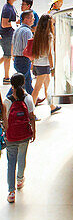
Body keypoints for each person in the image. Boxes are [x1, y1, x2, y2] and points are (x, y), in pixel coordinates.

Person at [2, 72, 36, 203]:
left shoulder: (7, 101)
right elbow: (32, 116)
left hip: (11, 136)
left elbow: (5, 120)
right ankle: (20, 180)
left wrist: (6, 133)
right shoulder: (28, 98)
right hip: (24, 135)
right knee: (22, 157)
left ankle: (11, 192)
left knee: (11, 163)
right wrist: (34, 131)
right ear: (23, 83)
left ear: (11, 85)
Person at [30, 14, 54, 107]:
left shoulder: (37, 34)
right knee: (37, 89)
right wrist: (52, 65)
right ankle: (30, 111)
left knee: (47, 86)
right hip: (44, 65)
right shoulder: (49, 35)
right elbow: (49, 53)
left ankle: (52, 106)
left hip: (37, 63)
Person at [11, 11, 34, 96]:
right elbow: (27, 48)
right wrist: (32, 60)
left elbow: (13, 44)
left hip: (18, 58)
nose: (33, 19)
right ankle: (9, 97)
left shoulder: (18, 29)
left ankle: (33, 96)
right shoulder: (27, 31)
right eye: (31, 17)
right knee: (19, 82)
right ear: (26, 19)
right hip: (23, 60)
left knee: (27, 80)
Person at [2, 0, 17, 84]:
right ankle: (6, 77)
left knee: (8, 54)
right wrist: (15, 23)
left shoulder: (11, 7)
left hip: (10, 34)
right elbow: (4, 24)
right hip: (6, 35)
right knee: (7, 56)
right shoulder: (7, 9)